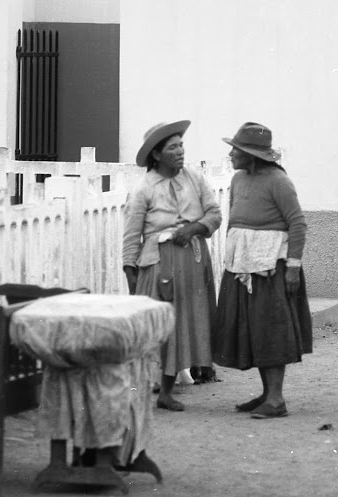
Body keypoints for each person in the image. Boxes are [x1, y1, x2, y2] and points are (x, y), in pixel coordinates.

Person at [213, 122, 313, 419]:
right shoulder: (239, 180)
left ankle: (277, 399)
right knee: (252, 329)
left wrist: (292, 268)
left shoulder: (278, 182)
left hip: (272, 268)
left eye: (236, 149)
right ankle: (267, 394)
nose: (231, 154)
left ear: (251, 154)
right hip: (243, 266)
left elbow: (298, 224)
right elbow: (235, 219)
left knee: (271, 331)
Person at [122, 120, 222, 412]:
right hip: (158, 264)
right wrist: (131, 274)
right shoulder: (143, 189)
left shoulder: (194, 179)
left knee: (184, 322)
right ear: (157, 154)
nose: (180, 151)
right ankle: (150, 389)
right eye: (172, 147)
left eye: (181, 145)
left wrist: (193, 229)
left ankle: (169, 389)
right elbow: (131, 236)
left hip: (191, 260)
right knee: (160, 326)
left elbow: (214, 214)